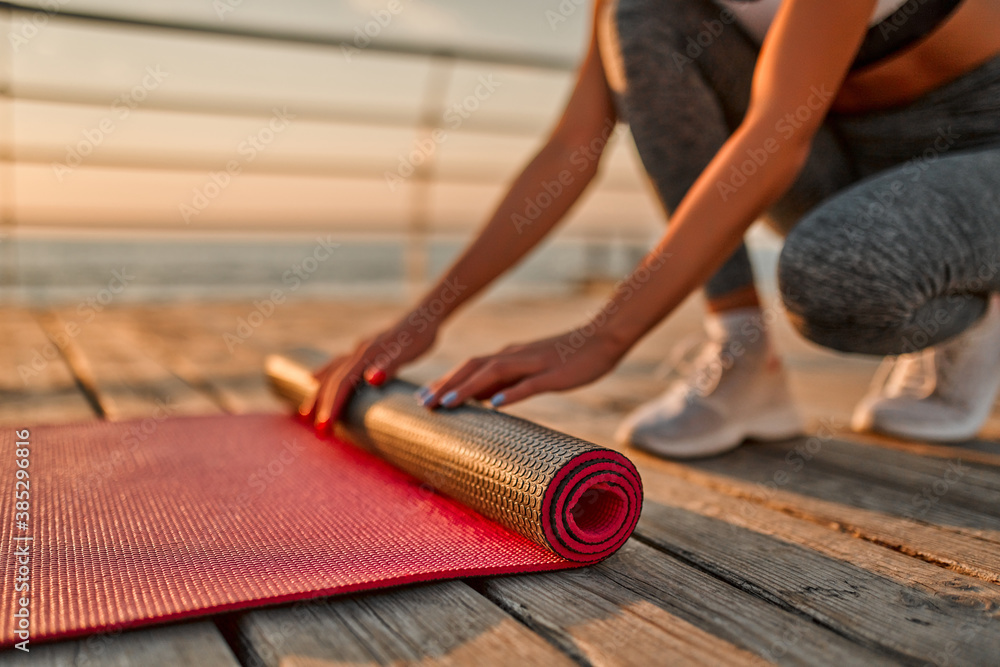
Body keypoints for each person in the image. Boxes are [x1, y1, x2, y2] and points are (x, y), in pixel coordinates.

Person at [303, 0, 1000, 458]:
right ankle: (743, 351)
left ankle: (981, 294)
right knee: (642, 18)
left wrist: (605, 333)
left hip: (981, 155)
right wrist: (427, 314)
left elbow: (777, 133)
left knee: (839, 279)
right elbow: (574, 147)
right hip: (850, 157)